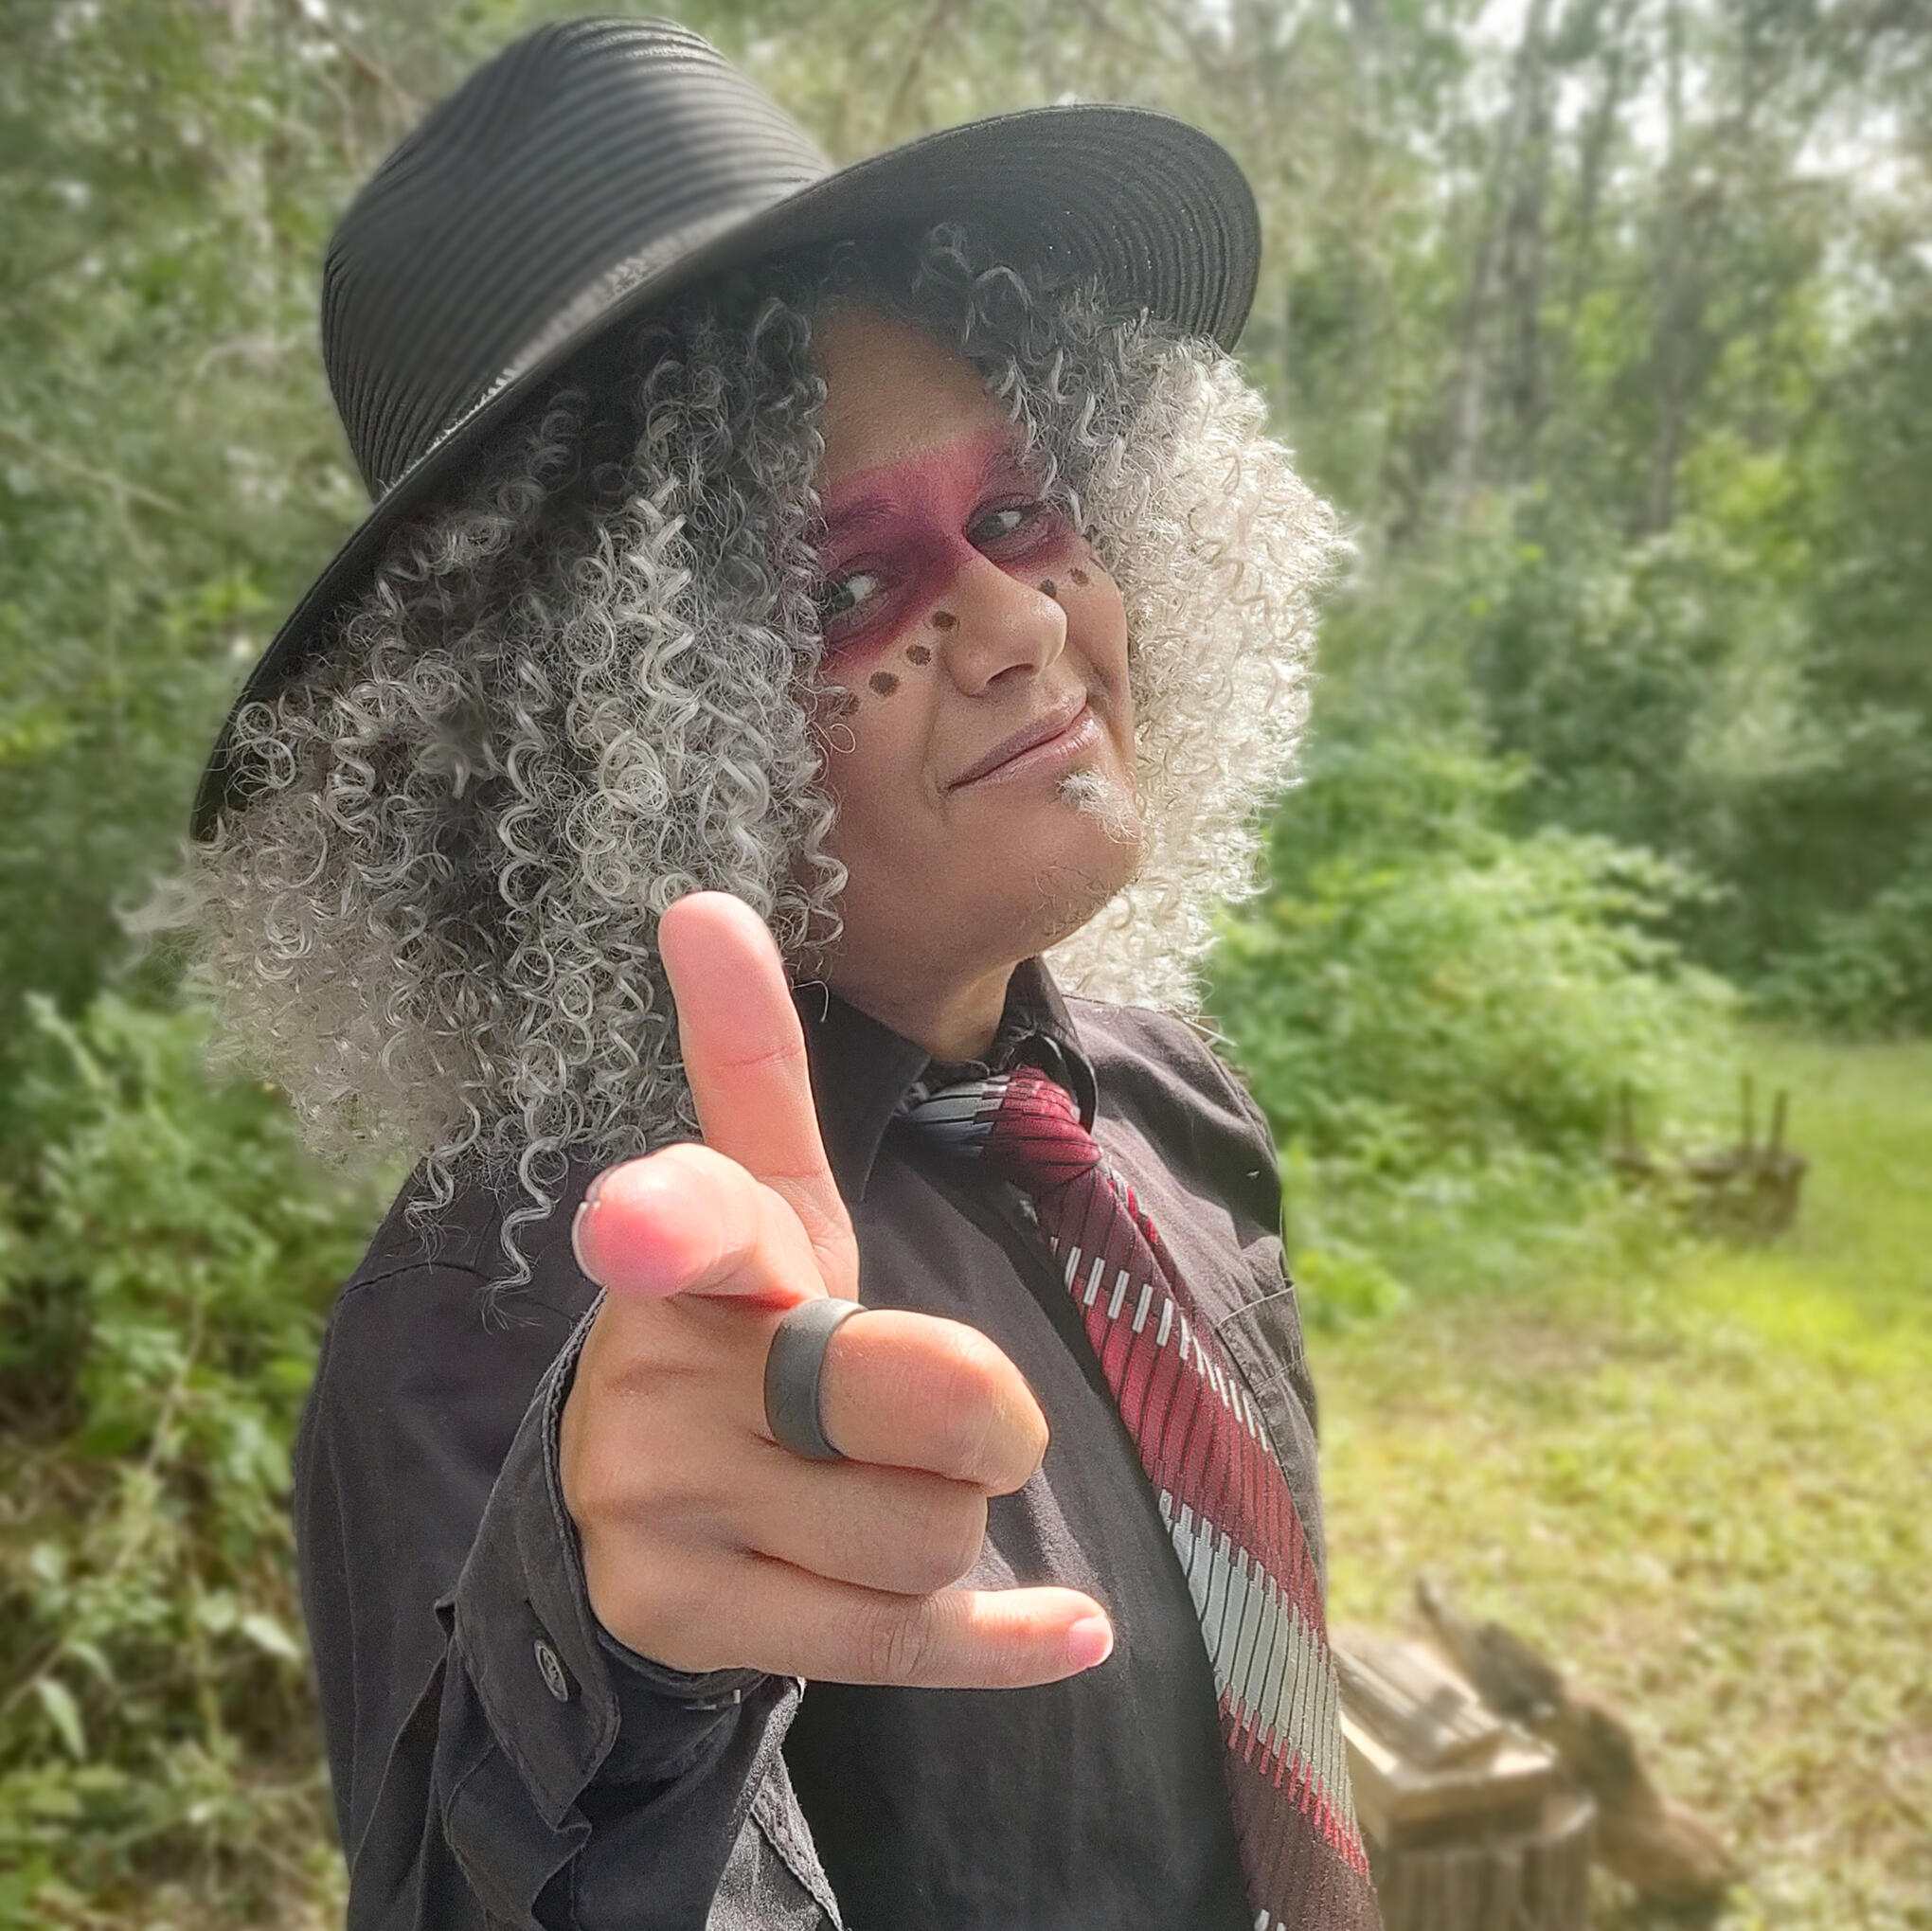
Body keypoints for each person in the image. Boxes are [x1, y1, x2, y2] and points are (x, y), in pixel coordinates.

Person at [158, 17, 1382, 1930]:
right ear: (605, 758)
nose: (1010, 622)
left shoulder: (1168, 1107)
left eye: (1014, 514)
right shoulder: (526, 1306)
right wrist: (616, 1668)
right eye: (838, 591)